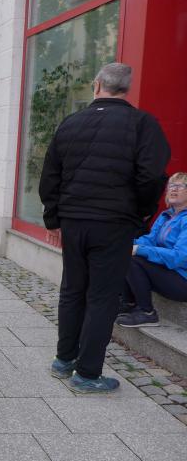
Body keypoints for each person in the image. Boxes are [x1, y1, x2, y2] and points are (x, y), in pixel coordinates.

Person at [39, 62, 170, 394]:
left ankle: (64, 359)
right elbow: (152, 176)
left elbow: (50, 176)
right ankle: (86, 374)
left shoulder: (71, 123)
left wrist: (53, 220)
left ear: (97, 85)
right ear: (127, 89)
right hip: (113, 224)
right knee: (102, 297)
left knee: (72, 290)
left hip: (74, 222)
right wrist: (141, 215)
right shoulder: (143, 124)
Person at [115, 172, 187, 328]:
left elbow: (180, 257)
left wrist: (140, 249)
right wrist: (125, 244)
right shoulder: (166, 215)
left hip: (182, 279)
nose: (173, 189)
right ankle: (128, 303)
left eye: (180, 185)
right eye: (171, 185)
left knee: (133, 259)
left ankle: (147, 312)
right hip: (168, 272)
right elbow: (150, 240)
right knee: (122, 251)